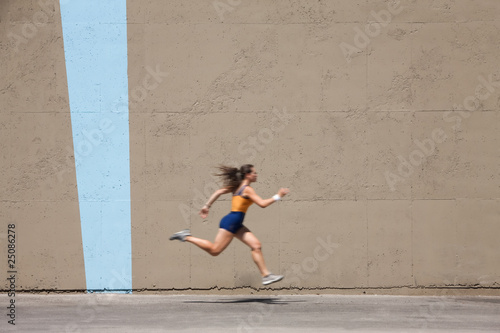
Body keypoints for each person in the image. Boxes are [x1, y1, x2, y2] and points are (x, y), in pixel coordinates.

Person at [170, 164, 289, 285]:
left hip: (236, 223)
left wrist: (207, 206)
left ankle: (266, 275)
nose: (256, 175)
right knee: (214, 250)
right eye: (254, 173)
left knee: (256, 246)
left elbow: (219, 191)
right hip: (231, 222)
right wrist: (278, 196)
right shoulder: (247, 189)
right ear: (248, 175)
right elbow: (262, 204)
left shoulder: (237, 187)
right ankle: (186, 236)